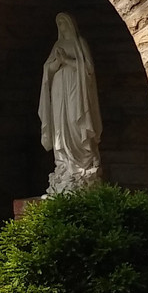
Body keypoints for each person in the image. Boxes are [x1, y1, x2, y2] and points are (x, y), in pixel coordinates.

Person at [38, 12, 102, 195]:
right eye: (58, 24)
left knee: (75, 122)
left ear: (70, 24)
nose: (61, 27)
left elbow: (88, 68)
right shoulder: (57, 45)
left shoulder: (79, 43)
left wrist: (68, 61)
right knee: (61, 125)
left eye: (63, 23)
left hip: (76, 88)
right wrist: (56, 63)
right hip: (59, 89)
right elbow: (47, 70)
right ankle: (65, 165)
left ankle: (82, 164)